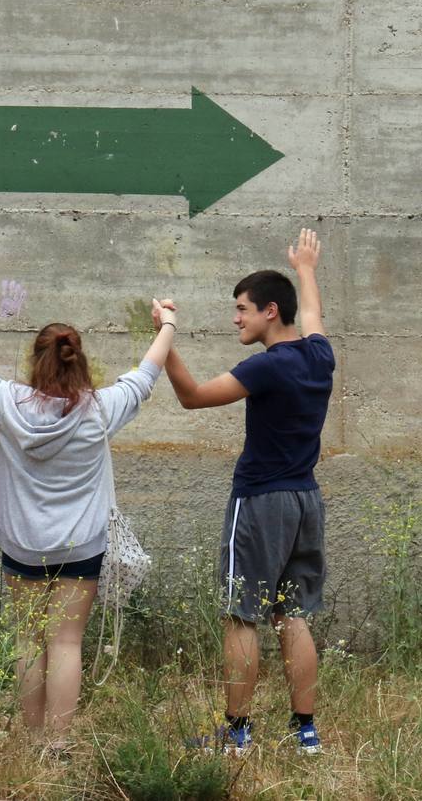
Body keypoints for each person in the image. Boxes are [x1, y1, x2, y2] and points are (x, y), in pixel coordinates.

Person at [0, 289, 176, 744]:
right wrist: (167, 323)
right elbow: (145, 376)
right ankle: (57, 745)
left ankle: (31, 741)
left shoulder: (7, 402)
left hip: (21, 545)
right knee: (67, 642)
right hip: (81, 547)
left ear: (36, 361)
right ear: (80, 361)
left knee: (28, 640)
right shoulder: (99, 410)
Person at [162, 229, 333, 757]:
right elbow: (312, 320)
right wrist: (305, 267)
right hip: (306, 500)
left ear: (268, 311)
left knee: (242, 615)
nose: (236, 318)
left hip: (260, 502)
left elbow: (191, 398)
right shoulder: (319, 357)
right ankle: (306, 732)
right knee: (293, 615)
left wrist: (164, 337)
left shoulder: (265, 366)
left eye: (242, 309)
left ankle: (236, 735)